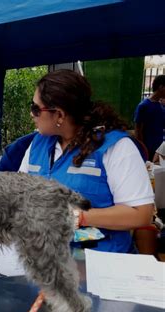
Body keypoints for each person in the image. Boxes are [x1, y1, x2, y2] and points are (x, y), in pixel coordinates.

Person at [19, 69, 154, 253]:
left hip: (102, 261)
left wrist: (78, 216)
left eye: (36, 108)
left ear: (59, 115)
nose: (31, 114)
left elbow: (141, 214)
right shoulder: (38, 144)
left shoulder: (115, 147)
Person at [134, 74, 165, 161]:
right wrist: (142, 151)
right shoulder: (143, 106)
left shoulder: (161, 107)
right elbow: (138, 132)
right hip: (148, 151)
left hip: (160, 151)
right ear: (161, 87)